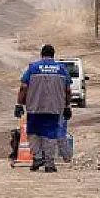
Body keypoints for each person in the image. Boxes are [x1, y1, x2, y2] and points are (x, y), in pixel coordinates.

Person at [15, 44, 72, 172]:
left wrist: (19, 104)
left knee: (34, 133)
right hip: (54, 109)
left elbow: (23, 87)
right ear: (53, 55)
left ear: (42, 54)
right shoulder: (61, 69)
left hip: (34, 108)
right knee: (50, 135)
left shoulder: (33, 68)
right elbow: (68, 90)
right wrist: (67, 106)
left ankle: (37, 157)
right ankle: (49, 164)